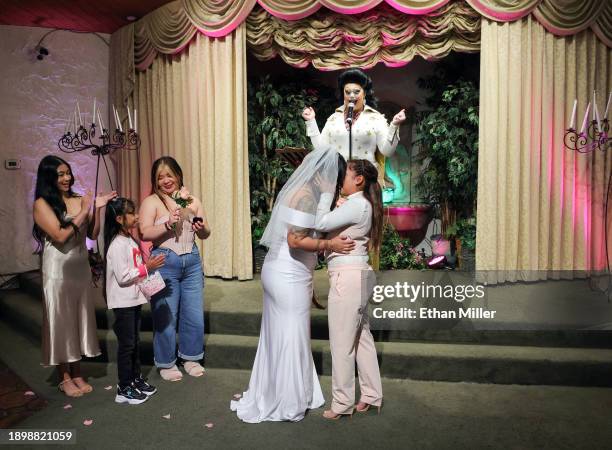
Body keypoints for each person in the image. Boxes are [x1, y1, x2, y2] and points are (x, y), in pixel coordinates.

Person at [230, 148, 355, 423]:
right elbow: (296, 240)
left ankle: (277, 390)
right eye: (335, 178)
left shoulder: (301, 191)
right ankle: (287, 400)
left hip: (282, 271)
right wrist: (330, 244)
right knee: (291, 335)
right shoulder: (308, 197)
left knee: (280, 335)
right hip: (288, 274)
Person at [32, 155, 117, 397]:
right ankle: (64, 376)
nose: (67, 178)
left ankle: (77, 371)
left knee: (79, 318)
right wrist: (84, 209)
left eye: (68, 172)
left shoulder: (79, 199)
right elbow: (60, 236)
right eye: (60, 174)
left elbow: (92, 233)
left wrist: (97, 209)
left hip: (80, 267)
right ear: (49, 177)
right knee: (61, 321)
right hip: (57, 270)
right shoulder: (42, 204)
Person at [314, 159, 384, 419]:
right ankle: (371, 394)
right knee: (361, 338)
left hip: (349, 277)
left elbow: (320, 223)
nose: (340, 178)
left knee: (342, 343)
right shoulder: (361, 204)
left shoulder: (356, 204)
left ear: (359, 180)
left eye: (345, 175)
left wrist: (324, 193)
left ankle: (342, 404)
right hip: (360, 275)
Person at [139, 157, 211, 382]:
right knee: (165, 316)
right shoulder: (151, 202)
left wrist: (201, 228)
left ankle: (190, 357)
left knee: (193, 315)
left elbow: (206, 232)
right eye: (160, 177)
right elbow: (145, 232)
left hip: (191, 260)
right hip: (164, 262)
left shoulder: (192, 200)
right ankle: (166, 361)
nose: (166, 180)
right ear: (155, 181)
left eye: (169, 175)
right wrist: (167, 224)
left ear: (178, 175)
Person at [104, 197, 164, 404]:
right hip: (123, 303)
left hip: (133, 299)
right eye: (132, 213)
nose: (137, 216)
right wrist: (148, 267)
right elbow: (122, 276)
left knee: (135, 343)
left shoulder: (129, 240)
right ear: (119, 218)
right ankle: (124, 386)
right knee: (127, 345)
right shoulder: (117, 245)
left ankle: (135, 379)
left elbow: (135, 269)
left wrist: (147, 267)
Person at [302, 68, 406, 166]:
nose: (352, 96)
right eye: (347, 92)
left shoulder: (375, 118)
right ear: (343, 94)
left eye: (356, 92)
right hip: (338, 177)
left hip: (365, 179)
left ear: (364, 93)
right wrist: (311, 121)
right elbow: (321, 148)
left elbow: (387, 151)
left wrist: (394, 125)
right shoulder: (334, 118)